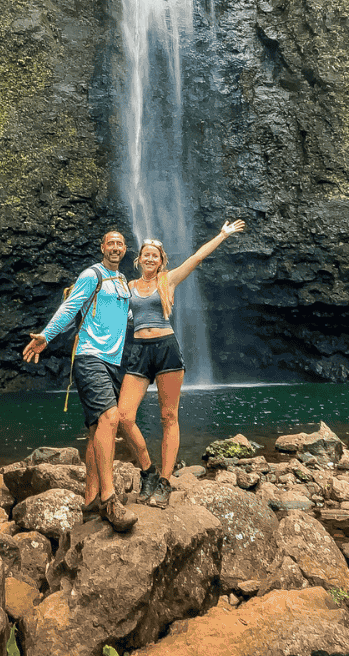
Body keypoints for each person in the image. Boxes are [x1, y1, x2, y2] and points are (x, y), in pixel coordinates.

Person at [118, 218, 246, 509]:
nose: (150, 257)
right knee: (124, 416)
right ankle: (147, 471)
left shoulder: (168, 280)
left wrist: (222, 235)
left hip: (166, 350)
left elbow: (198, 257)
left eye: (155, 255)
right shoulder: (128, 287)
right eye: (146, 254)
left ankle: (164, 481)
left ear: (161, 261)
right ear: (139, 259)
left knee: (169, 417)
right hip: (138, 350)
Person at [23, 229, 138, 532]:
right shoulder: (92, 275)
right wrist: (45, 337)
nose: (115, 247)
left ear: (125, 250)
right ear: (102, 248)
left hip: (114, 362)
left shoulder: (124, 282)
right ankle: (110, 500)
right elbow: (70, 307)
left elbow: (126, 319)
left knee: (95, 430)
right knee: (110, 419)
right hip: (89, 357)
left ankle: (89, 501)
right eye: (110, 243)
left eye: (120, 244)